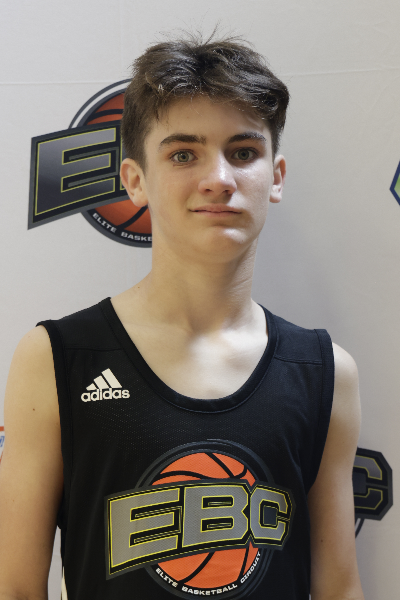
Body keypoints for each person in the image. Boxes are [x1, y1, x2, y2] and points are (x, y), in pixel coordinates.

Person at [0, 33, 364, 600]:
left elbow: (339, 587)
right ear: (135, 180)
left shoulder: (325, 372)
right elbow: (18, 588)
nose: (219, 178)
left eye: (243, 152)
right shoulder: (56, 359)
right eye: (183, 154)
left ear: (276, 176)